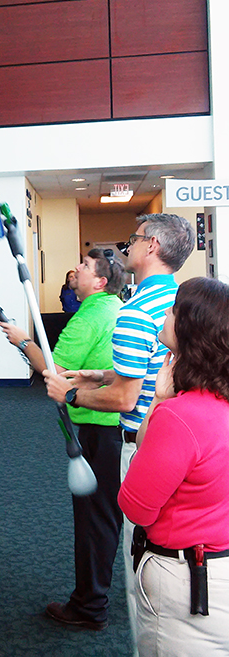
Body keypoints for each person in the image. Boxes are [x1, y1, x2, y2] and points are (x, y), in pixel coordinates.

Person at [43, 213, 195, 650]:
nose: (126, 246)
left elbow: (126, 402)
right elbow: (146, 374)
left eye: (134, 239)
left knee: (140, 564)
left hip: (140, 444)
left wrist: (69, 395)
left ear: (151, 248)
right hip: (179, 442)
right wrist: (99, 375)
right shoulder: (182, 300)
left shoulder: (134, 311)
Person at [1, 248, 126, 630]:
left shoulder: (88, 317)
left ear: (100, 282)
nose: (77, 269)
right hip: (115, 428)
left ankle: (88, 607)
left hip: (96, 428)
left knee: (92, 521)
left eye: (86, 267)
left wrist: (23, 342)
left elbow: (58, 373)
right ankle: (97, 593)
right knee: (105, 515)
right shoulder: (116, 307)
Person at [118, 277, 229, 656]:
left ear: (190, 328)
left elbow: (136, 506)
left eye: (172, 309)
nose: (164, 314)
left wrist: (157, 406)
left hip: (187, 586)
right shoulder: (217, 404)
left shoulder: (180, 418)